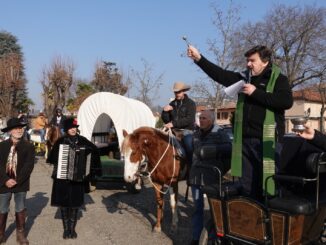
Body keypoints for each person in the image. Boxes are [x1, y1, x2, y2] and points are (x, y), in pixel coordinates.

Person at [187, 45, 293, 200]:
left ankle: (269, 219)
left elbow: (286, 102)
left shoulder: (278, 79)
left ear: (264, 61)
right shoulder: (244, 79)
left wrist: (255, 92)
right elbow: (220, 75)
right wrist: (199, 58)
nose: (248, 64)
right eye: (247, 61)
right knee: (247, 187)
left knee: (269, 186)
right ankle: (249, 219)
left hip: (267, 142)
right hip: (244, 141)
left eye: (252, 60)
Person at [47, 118, 101, 239]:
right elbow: (52, 158)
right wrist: (59, 162)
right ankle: (66, 229)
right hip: (62, 177)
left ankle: (73, 229)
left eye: (75, 127)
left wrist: (87, 159)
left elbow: (95, 151)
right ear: (66, 129)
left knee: (75, 203)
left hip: (78, 177)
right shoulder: (60, 141)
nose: (73, 129)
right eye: (71, 128)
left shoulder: (83, 140)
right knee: (64, 203)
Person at [188, 110, 224, 244]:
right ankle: (195, 238)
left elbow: (229, 150)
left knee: (215, 209)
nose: (201, 120)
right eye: (200, 118)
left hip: (211, 177)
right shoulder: (195, 134)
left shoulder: (219, 133)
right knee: (197, 209)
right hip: (196, 177)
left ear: (211, 120)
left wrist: (211, 152)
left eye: (204, 118)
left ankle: (216, 236)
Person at [0, 118, 35, 244]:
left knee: (20, 207)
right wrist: (5, 180)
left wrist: (17, 180)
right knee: (2, 208)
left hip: (21, 183)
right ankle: (1, 234)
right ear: (9, 131)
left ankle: (21, 234)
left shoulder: (29, 146)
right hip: (3, 183)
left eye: (21, 128)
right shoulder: (2, 146)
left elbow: (29, 165)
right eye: (16, 128)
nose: (19, 130)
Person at [161, 81, 196, 162]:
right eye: (175, 92)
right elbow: (166, 120)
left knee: (189, 146)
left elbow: (189, 119)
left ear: (183, 91)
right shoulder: (172, 103)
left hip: (187, 131)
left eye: (179, 92)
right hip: (173, 131)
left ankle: (191, 167)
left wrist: (173, 123)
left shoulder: (191, 104)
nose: (177, 94)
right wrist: (165, 111)